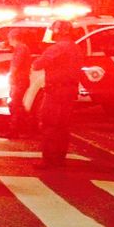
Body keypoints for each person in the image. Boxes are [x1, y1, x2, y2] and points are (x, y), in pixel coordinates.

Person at [32, 19, 84, 168]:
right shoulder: (76, 48)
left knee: (49, 124)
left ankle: (48, 160)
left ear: (58, 31)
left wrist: (39, 56)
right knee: (63, 126)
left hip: (55, 92)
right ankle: (60, 159)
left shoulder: (57, 48)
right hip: (70, 91)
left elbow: (37, 65)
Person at [0, 29, 35, 139]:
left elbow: (16, 64)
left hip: (19, 80)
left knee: (15, 105)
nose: (8, 40)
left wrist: (11, 76)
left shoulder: (20, 49)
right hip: (21, 80)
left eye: (9, 38)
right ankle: (28, 127)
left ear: (13, 38)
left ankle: (15, 130)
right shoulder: (23, 48)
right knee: (17, 105)